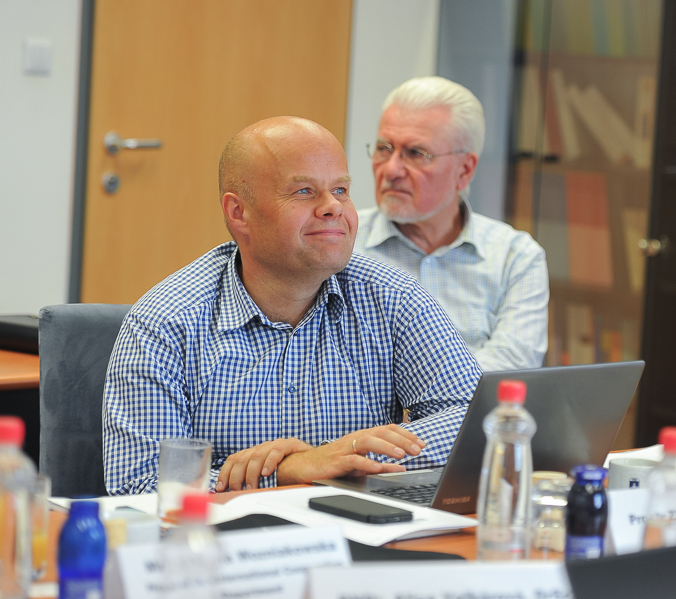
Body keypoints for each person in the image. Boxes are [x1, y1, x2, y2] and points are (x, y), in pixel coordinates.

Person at [102, 116, 482, 495]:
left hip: (358, 535)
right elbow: (140, 486)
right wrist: (289, 472)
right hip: (224, 546)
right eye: (303, 191)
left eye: (341, 190)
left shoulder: (393, 297)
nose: (332, 207)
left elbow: (475, 422)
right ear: (239, 213)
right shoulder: (165, 322)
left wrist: (341, 458)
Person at [355, 76, 549, 372]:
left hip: (472, 420)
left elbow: (513, 365)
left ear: (465, 169)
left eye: (416, 153)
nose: (391, 169)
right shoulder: (341, 242)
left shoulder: (515, 256)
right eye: (384, 148)